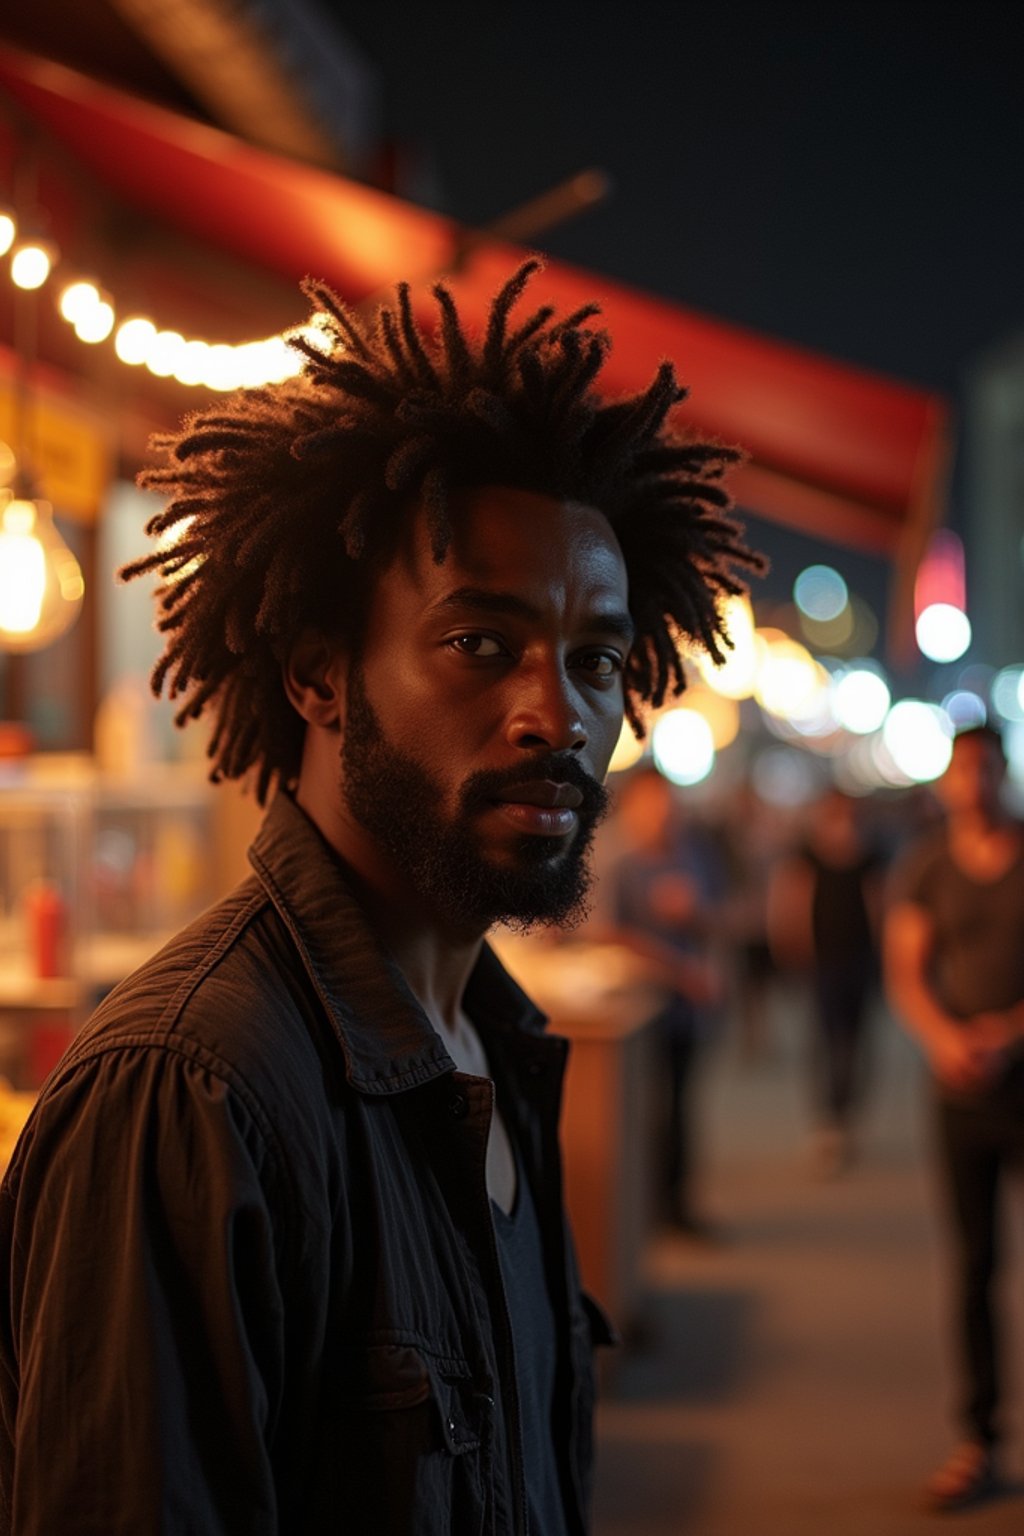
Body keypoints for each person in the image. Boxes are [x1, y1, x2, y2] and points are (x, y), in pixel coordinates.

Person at [0, 262, 762, 1533]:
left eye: (594, 661)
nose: (555, 715)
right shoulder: (193, 1091)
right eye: (480, 643)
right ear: (318, 674)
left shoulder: (500, 1048)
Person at [885, 725, 1024, 1513]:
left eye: (986, 767)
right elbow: (907, 971)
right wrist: (946, 1040)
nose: (973, 782)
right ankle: (980, 1439)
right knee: (975, 1270)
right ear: (946, 780)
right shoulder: (927, 866)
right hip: (961, 1095)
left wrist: (1007, 1032)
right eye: (961, 769)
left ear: (1004, 774)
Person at [607, 766, 724, 1235]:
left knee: (680, 1108)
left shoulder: (694, 855)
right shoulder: (620, 863)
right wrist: (678, 970)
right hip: (636, 1013)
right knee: (645, 1114)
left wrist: (697, 913)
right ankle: (645, 1210)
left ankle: (677, 1203)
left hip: (686, 1011)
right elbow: (609, 935)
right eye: (652, 803)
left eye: (668, 802)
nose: (662, 813)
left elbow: (725, 914)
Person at [769, 787, 883, 1175]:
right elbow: (792, 900)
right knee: (824, 1039)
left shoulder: (871, 855)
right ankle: (827, 1119)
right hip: (822, 962)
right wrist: (790, 944)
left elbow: (882, 905)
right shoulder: (807, 854)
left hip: (860, 960)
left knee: (855, 1041)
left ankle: (846, 1112)